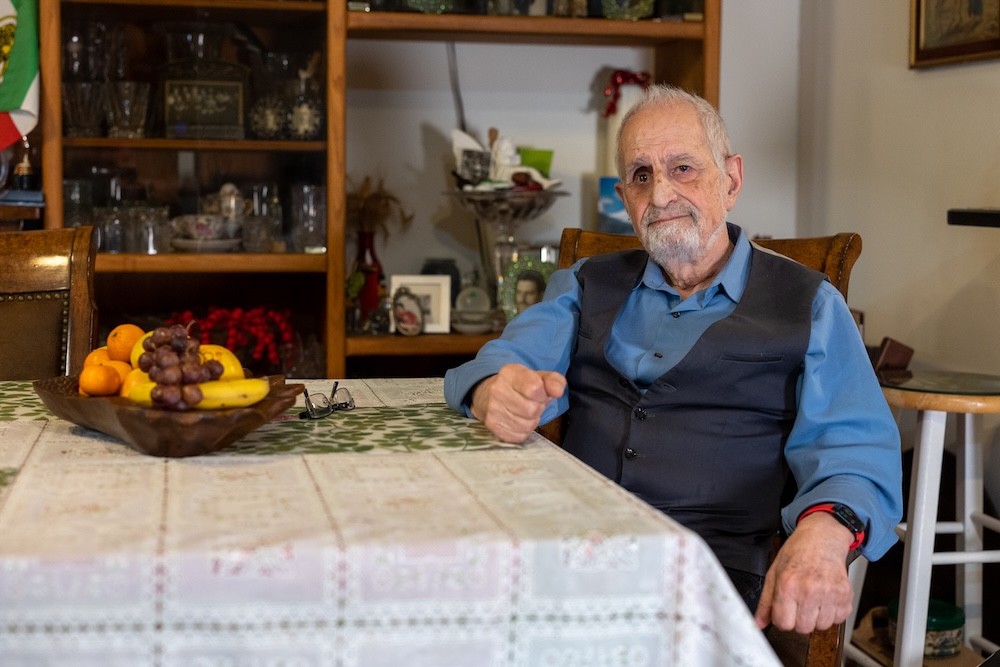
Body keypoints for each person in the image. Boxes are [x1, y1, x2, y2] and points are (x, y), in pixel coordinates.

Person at [445, 84, 903, 636]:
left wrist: (824, 535)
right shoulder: (585, 282)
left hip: (712, 575)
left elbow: (857, 454)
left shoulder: (810, 305)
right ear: (625, 196)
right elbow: (505, 360)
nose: (660, 194)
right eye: (641, 176)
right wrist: (493, 389)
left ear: (730, 180)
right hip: (567, 554)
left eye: (682, 167)